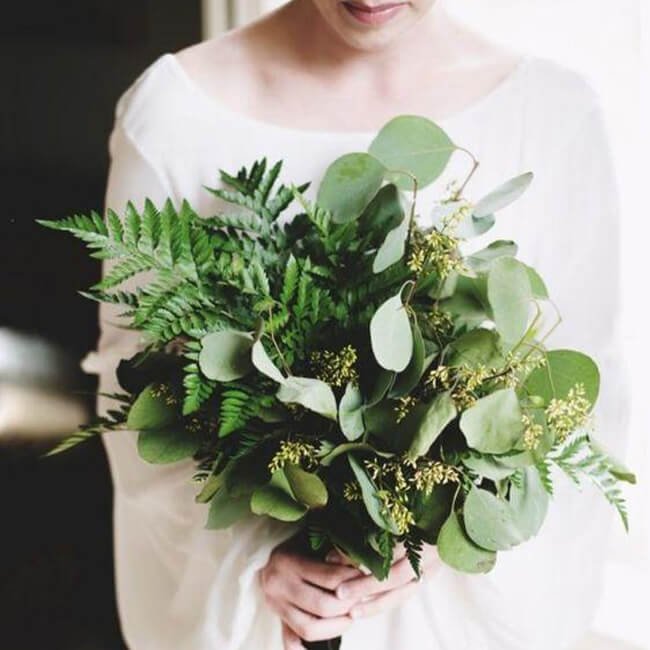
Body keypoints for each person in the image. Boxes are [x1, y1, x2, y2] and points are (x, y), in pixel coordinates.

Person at [81, 1, 626, 648]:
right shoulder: (174, 115)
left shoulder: (552, 116)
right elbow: (136, 393)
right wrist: (252, 565)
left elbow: (584, 413)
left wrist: (452, 542)